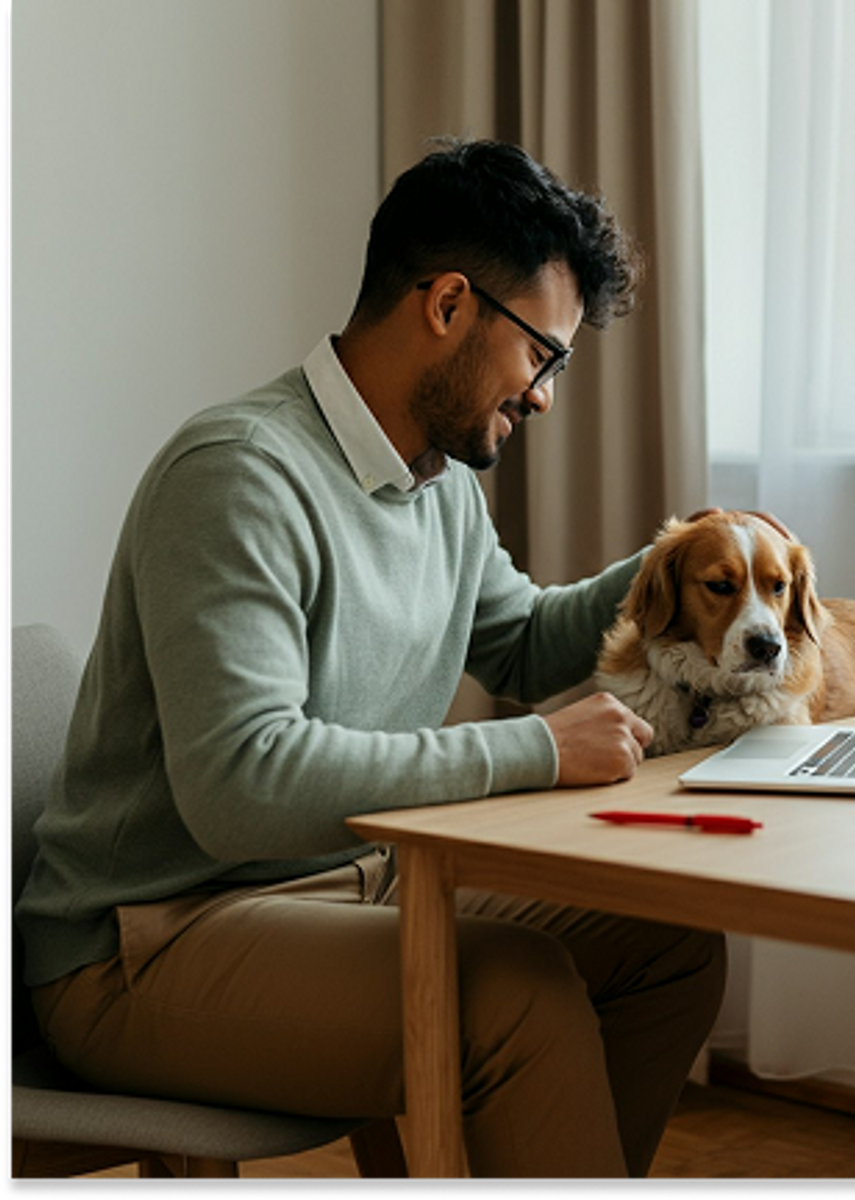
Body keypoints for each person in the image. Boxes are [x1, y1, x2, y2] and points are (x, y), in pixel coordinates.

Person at [16, 139, 726, 1179]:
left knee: (670, 947)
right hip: (147, 945)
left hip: (352, 888)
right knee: (513, 994)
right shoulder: (239, 477)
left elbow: (524, 642)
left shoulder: (434, 481)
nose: (545, 397)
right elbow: (241, 787)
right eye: (543, 354)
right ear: (446, 305)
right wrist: (534, 750)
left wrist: (683, 560)